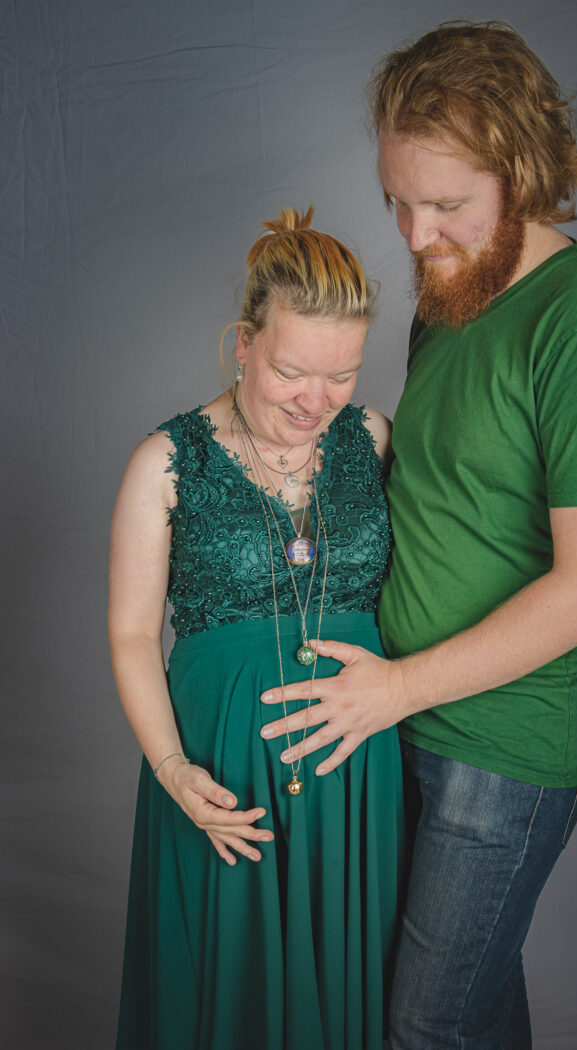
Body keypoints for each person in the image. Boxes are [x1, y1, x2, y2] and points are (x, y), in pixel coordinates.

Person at [259, 22, 577, 1049]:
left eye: (445, 204)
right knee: (470, 1006)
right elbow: (441, 491)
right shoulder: (451, 297)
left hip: (507, 742)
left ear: (523, 174)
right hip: (412, 710)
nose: (414, 235)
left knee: (425, 1027)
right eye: (398, 200)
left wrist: (398, 687)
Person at [109, 206, 403, 1050]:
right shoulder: (164, 463)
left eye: (342, 375)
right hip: (223, 785)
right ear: (243, 344)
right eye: (290, 371)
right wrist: (172, 770)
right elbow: (132, 636)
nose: (316, 402)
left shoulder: (372, 438)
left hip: (357, 778)